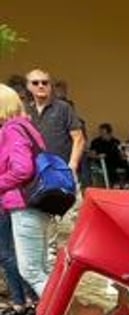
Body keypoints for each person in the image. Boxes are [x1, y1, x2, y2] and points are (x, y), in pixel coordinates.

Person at [0, 84, 53, 299]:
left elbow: (23, 169)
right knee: (40, 268)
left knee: (31, 271)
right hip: (37, 203)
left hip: (24, 204)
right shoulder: (26, 126)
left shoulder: (11, 129)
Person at [25, 69, 84, 181]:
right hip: (33, 172)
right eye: (35, 83)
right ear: (29, 86)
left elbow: (79, 138)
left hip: (61, 170)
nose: (41, 86)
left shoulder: (63, 108)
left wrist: (72, 165)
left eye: (45, 82)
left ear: (50, 86)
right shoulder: (25, 110)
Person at [88, 123, 129, 187]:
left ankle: (127, 182)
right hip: (103, 160)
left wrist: (123, 155)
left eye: (104, 133)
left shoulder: (115, 141)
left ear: (109, 133)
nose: (101, 134)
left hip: (116, 159)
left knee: (126, 162)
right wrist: (98, 156)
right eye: (101, 132)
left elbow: (120, 152)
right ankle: (115, 183)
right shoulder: (96, 142)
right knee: (110, 164)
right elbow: (91, 155)